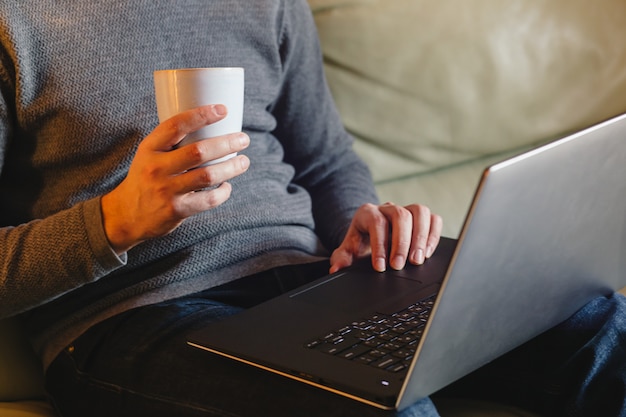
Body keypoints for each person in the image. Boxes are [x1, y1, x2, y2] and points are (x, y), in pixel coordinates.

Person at [0, 1, 624, 417]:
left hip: (314, 284)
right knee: (384, 405)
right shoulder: (15, 19)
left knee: (598, 325)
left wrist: (363, 223)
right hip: (131, 315)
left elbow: (327, 163)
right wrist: (114, 222)